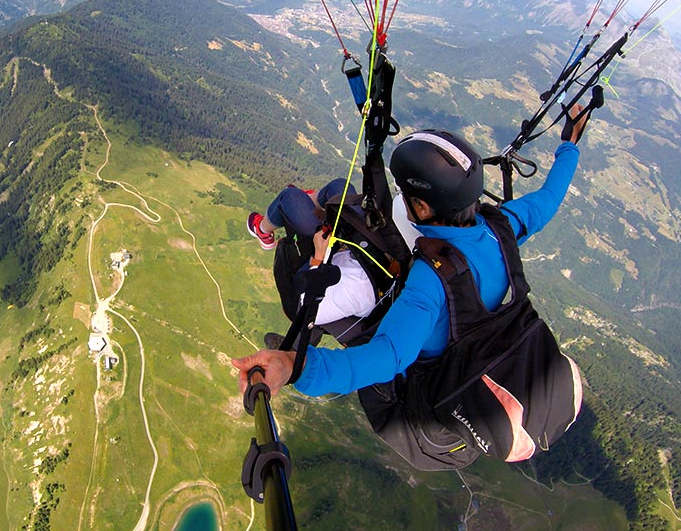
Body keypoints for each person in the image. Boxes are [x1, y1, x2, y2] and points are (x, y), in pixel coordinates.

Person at [232, 105, 587, 400]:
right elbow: (547, 201)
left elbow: (387, 357)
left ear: (423, 206)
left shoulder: (430, 282)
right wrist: (570, 144)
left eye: (406, 194)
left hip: (379, 316)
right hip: (391, 274)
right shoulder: (499, 228)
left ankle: (267, 231)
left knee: (297, 202)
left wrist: (295, 367)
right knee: (339, 192)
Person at [247, 180, 378, 328]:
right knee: (340, 187)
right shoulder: (387, 258)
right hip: (353, 255)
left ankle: (262, 230)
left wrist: (318, 257)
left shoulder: (358, 289)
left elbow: (308, 305)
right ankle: (310, 205)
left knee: (290, 197)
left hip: (307, 284)